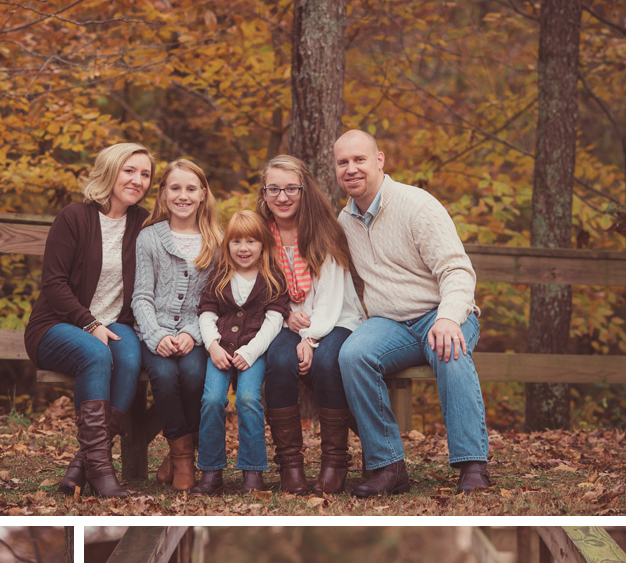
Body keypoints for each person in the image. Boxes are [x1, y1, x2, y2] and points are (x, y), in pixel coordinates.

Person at [333, 129, 491, 498]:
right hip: (390, 323)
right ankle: (388, 466)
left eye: (360, 160)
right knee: (352, 355)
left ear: (379, 160)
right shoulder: (345, 221)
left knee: (448, 350)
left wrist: (449, 317)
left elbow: (456, 270)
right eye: (343, 162)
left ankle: (472, 465)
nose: (352, 169)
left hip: (444, 312)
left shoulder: (416, 205)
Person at [24, 141, 153, 500]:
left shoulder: (144, 223)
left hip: (117, 323)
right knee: (97, 354)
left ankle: (83, 466)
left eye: (145, 174)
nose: (137, 180)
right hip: (57, 325)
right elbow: (53, 283)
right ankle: (101, 470)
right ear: (111, 170)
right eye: (130, 170)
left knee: (128, 357)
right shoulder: (74, 217)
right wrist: (90, 324)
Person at [255, 150, 364, 495]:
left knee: (329, 362)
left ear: (304, 190)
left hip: (335, 319)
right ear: (264, 193)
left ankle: (335, 462)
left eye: (291, 188)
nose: (282, 197)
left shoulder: (323, 230)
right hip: (285, 321)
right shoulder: (259, 234)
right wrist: (287, 315)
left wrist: (312, 337)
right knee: (279, 360)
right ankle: (290, 464)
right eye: (274, 189)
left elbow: (332, 297)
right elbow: (254, 289)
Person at [133, 157, 220, 495]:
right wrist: (155, 335)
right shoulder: (150, 238)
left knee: (195, 376)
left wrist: (191, 333)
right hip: (153, 332)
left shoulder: (215, 241)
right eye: (175, 188)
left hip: (195, 333)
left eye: (190, 188)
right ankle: (183, 459)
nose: (183, 195)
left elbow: (215, 301)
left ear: (202, 195)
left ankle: (178, 451)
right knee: (166, 377)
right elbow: (141, 295)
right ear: (163, 194)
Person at [195, 212, 289, 496]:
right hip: (220, 351)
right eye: (236, 241)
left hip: (254, 352)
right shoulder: (220, 275)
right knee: (212, 399)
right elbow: (206, 313)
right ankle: (211, 470)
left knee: (248, 399)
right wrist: (212, 345)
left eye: (251, 241)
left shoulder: (273, 277)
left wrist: (250, 351)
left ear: (263, 245)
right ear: (227, 245)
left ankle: (253, 470)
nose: (243, 248)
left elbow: (275, 320)